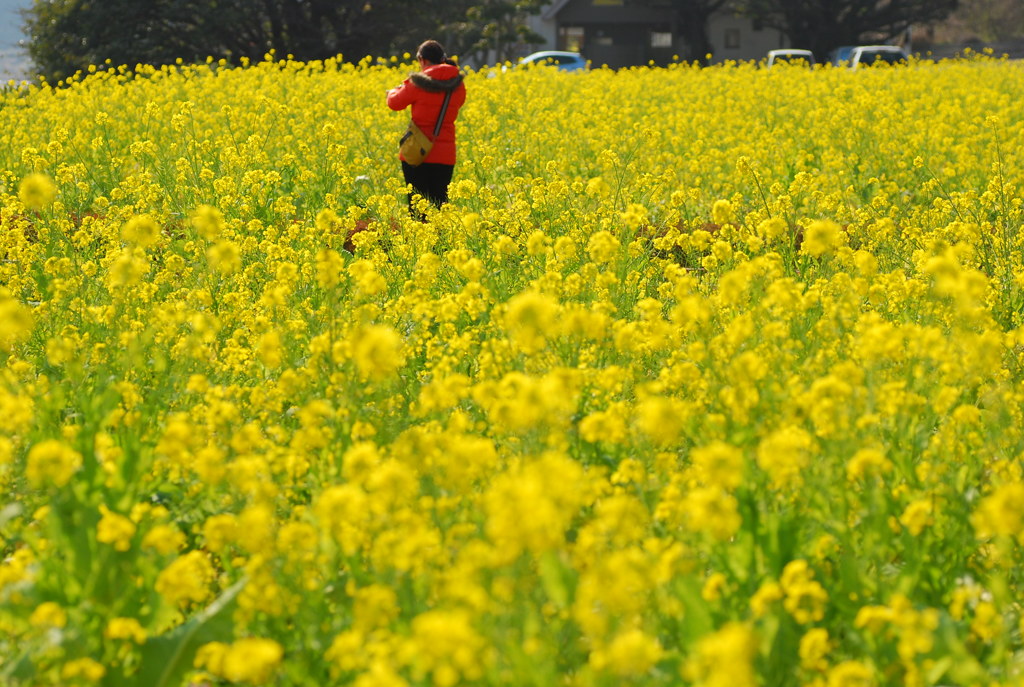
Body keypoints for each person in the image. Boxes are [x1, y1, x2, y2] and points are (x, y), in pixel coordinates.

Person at [386, 40, 466, 213]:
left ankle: (418, 237)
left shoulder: (418, 82)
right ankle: (441, 239)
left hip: (417, 151)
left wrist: (393, 91)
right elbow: (458, 104)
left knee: (417, 206)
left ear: (422, 59)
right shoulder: (458, 84)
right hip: (445, 154)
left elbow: (395, 103)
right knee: (440, 205)